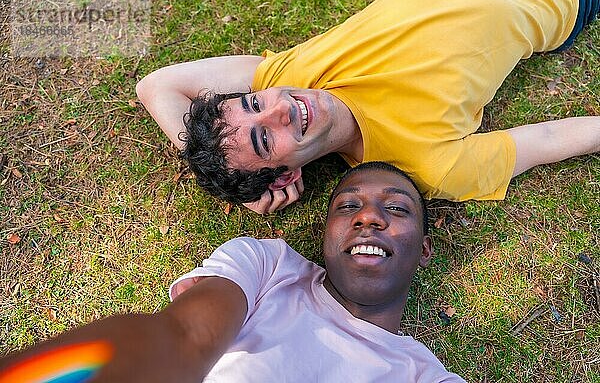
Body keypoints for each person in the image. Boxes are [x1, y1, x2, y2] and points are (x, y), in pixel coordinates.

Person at [136, 0, 600, 214]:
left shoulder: (292, 74)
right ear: (287, 176)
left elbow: (155, 85)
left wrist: (238, 186)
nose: (280, 108)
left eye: (255, 104)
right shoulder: (426, 164)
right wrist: (249, 188)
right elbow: (549, 138)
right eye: (264, 141)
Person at [0, 162, 465, 382]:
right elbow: (184, 336)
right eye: (347, 206)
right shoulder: (267, 266)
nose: (369, 217)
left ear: (424, 250)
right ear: (326, 235)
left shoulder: (423, 375)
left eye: (397, 209)